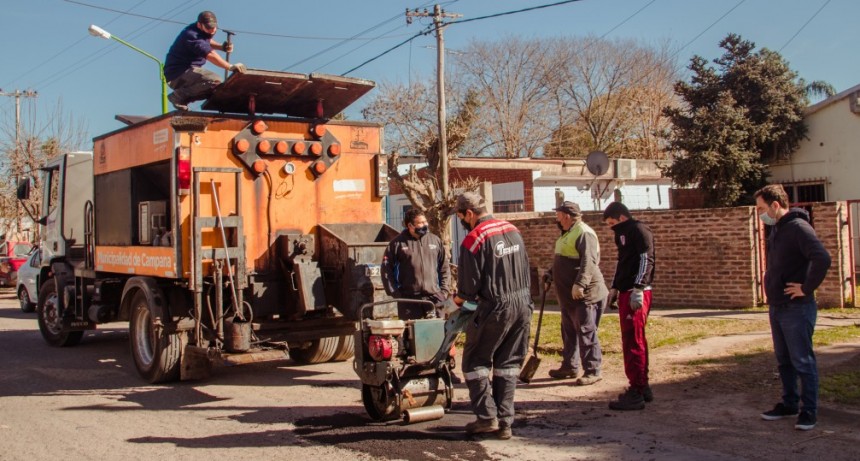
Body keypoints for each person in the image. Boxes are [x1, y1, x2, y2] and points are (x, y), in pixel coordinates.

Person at [453, 192, 532, 440]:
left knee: (475, 362)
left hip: (494, 307)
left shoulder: (474, 240)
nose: (462, 223)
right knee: (508, 364)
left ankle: (487, 418)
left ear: (469, 213)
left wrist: (453, 304)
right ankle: (505, 422)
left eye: (460, 217)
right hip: (522, 304)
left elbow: (468, 289)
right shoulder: (513, 230)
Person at [755, 184, 830, 431]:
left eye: (762, 208)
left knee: (802, 361)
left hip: (796, 308)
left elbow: (822, 257)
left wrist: (806, 288)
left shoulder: (798, 227)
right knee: (784, 360)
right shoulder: (778, 229)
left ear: (776, 205)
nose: (760, 214)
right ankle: (789, 403)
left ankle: (809, 412)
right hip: (778, 306)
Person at [381, 208, 460, 382]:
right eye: (420, 223)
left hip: (434, 299)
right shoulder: (397, 244)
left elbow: (444, 267)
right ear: (410, 225)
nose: (424, 225)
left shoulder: (435, 241)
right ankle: (411, 374)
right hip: (409, 300)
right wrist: (395, 293)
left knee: (441, 335)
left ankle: (445, 369)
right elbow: (386, 271)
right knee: (410, 338)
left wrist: (444, 291)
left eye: (425, 222)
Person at [545, 201, 607, 385]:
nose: (556, 218)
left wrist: (580, 283)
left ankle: (593, 370)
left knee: (586, 332)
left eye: (558, 215)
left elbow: (589, 261)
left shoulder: (584, 232)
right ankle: (570, 366)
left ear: (566, 216)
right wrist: (551, 273)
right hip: (568, 298)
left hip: (585, 295)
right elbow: (562, 259)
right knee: (568, 332)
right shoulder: (568, 234)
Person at [603, 201, 655, 411]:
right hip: (625, 291)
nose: (610, 227)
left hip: (636, 292)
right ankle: (643, 386)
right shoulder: (621, 234)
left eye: (612, 222)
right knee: (631, 339)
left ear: (622, 218)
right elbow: (622, 261)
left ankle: (636, 390)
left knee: (634, 340)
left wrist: (639, 287)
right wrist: (615, 287)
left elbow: (646, 259)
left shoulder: (639, 230)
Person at [163, 11, 246, 111]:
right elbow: (210, 54)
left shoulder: (200, 30)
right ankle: (177, 97)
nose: (211, 31)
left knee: (215, 89)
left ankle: (184, 99)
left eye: (213, 28)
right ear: (199, 25)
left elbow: (206, 41)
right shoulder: (191, 35)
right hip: (178, 74)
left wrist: (222, 47)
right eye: (208, 28)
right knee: (214, 80)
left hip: (186, 70)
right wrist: (230, 66)